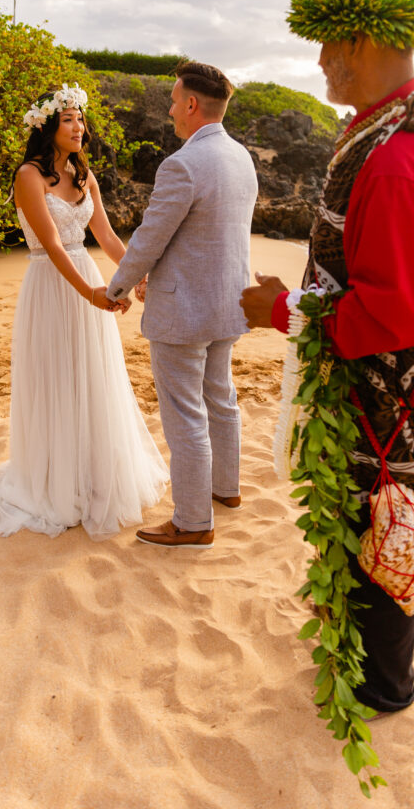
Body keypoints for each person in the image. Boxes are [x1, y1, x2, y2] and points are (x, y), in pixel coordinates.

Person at [240, 0, 414, 713]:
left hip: (389, 399)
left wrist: (281, 311)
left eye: (326, 44)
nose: (318, 62)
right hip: (405, 386)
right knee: (366, 527)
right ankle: (355, 652)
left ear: (365, 37)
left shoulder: (400, 157)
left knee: (376, 526)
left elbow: (400, 312)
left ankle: (380, 689)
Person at [0, 84, 168, 539]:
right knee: (56, 378)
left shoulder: (84, 175)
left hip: (85, 278)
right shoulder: (28, 176)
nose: (79, 127)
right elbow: (53, 248)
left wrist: (137, 274)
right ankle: (52, 480)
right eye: (69, 119)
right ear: (47, 126)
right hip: (53, 284)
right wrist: (92, 294)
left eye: (81, 119)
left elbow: (105, 236)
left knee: (91, 377)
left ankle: (89, 473)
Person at [104, 62, 258, 548]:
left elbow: (152, 238)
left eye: (173, 100)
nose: (170, 110)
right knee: (221, 398)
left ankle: (193, 521)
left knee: (186, 413)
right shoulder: (241, 158)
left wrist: (119, 287)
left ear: (192, 105)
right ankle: (225, 491)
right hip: (229, 304)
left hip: (184, 310)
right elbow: (211, 236)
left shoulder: (183, 164)